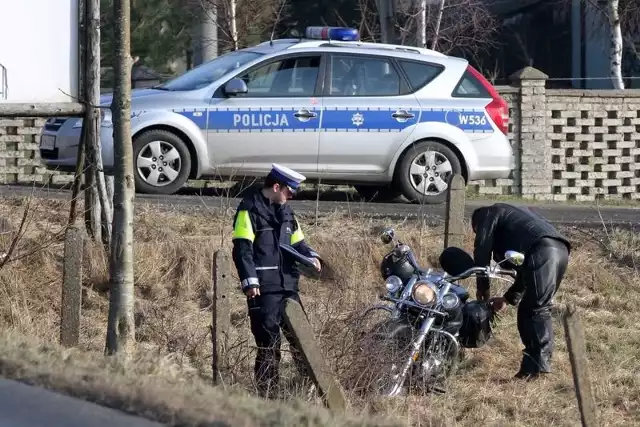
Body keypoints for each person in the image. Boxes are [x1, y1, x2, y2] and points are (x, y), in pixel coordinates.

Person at [230, 163, 322, 398]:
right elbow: (242, 249)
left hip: (288, 287)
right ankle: (268, 395)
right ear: (277, 186)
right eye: (290, 191)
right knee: (269, 343)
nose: (292, 196)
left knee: (302, 339)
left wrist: (312, 256)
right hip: (263, 290)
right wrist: (250, 282)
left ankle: (307, 390)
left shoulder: (287, 212)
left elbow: (298, 243)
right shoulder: (248, 210)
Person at [470, 203, 571, 380]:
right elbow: (526, 272)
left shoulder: (488, 213)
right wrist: (507, 299)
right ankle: (531, 368)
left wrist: (483, 290)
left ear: (476, 223)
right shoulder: (516, 219)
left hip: (543, 250)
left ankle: (540, 368)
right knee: (530, 308)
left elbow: (482, 250)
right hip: (560, 250)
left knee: (537, 309)